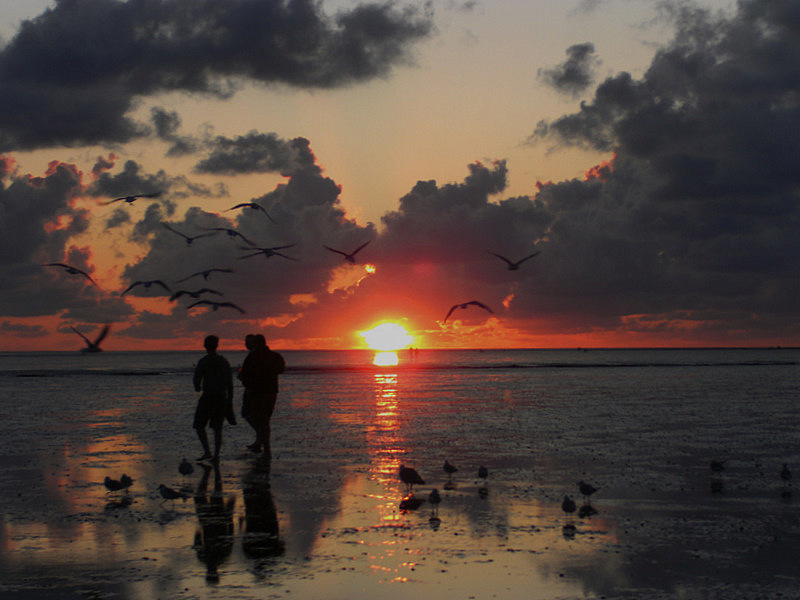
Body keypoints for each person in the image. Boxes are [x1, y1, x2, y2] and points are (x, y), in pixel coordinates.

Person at [238, 334, 285, 457]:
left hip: (255, 391)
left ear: (255, 343)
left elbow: (246, 375)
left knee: (251, 416)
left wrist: (244, 378)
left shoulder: (253, 357)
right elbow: (281, 369)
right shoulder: (274, 356)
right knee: (264, 419)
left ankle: (263, 443)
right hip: (271, 391)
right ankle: (262, 443)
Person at [193, 334, 234, 462]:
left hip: (208, 396)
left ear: (205, 346)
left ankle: (207, 451)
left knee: (199, 425)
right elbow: (230, 382)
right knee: (217, 427)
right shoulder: (223, 361)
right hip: (221, 396)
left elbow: (197, 378)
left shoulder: (204, 361)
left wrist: (197, 387)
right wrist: (230, 400)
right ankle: (215, 454)